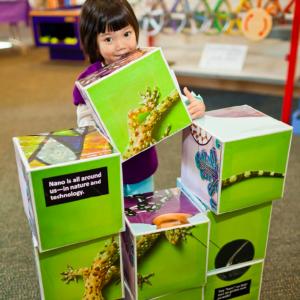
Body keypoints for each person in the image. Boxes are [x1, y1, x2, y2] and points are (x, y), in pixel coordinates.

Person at [73, 0, 205, 196]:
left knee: (141, 217)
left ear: (136, 31)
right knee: (111, 221)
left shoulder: (148, 65)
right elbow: (84, 125)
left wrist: (195, 104)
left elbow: (174, 99)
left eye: (127, 34)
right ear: (94, 42)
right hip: (107, 171)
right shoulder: (86, 81)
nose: (121, 46)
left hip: (141, 168)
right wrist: (94, 131)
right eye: (108, 39)